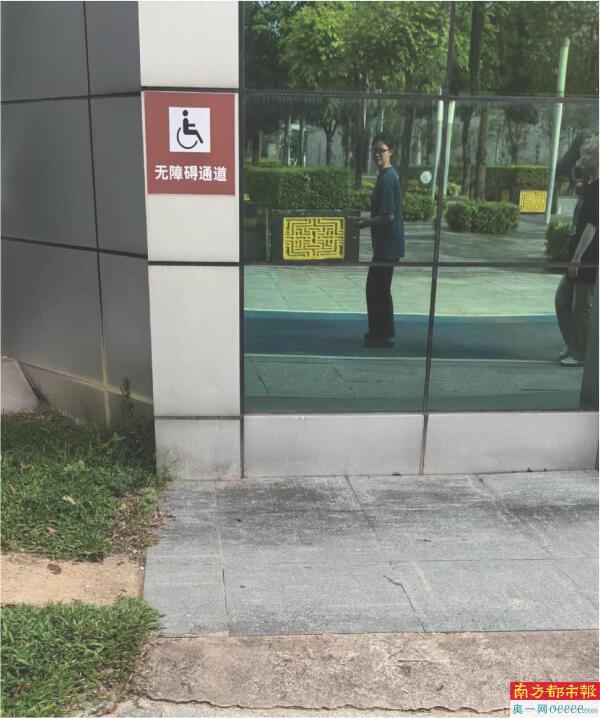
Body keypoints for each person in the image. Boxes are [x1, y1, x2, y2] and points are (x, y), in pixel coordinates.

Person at [356, 132, 404, 348]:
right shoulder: (385, 176)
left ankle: (384, 335)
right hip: (385, 245)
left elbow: (388, 216)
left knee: (379, 290)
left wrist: (366, 222)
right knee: (375, 288)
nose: (377, 154)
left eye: (381, 150)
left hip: (388, 245)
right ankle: (378, 332)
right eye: (374, 150)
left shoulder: (387, 179)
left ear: (390, 152)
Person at [554, 136, 599, 367]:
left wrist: (577, 258)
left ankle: (582, 353)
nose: (583, 158)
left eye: (589, 154)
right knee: (562, 299)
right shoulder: (589, 186)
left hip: (588, 259)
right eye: (583, 153)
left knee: (581, 308)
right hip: (577, 258)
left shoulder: (598, 189)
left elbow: (592, 226)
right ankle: (573, 344)